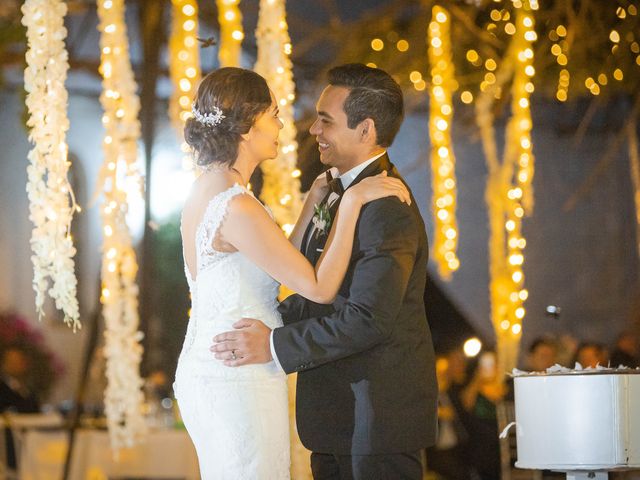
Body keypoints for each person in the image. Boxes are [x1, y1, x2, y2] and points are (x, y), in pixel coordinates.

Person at [173, 67, 411, 479]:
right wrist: (351, 205)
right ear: (247, 128)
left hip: (216, 363)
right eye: (274, 114)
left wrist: (313, 202)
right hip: (236, 377)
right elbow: (317, 286)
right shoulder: (237, 205)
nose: (284, 125)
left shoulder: (210, 189)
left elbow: (278, 260)